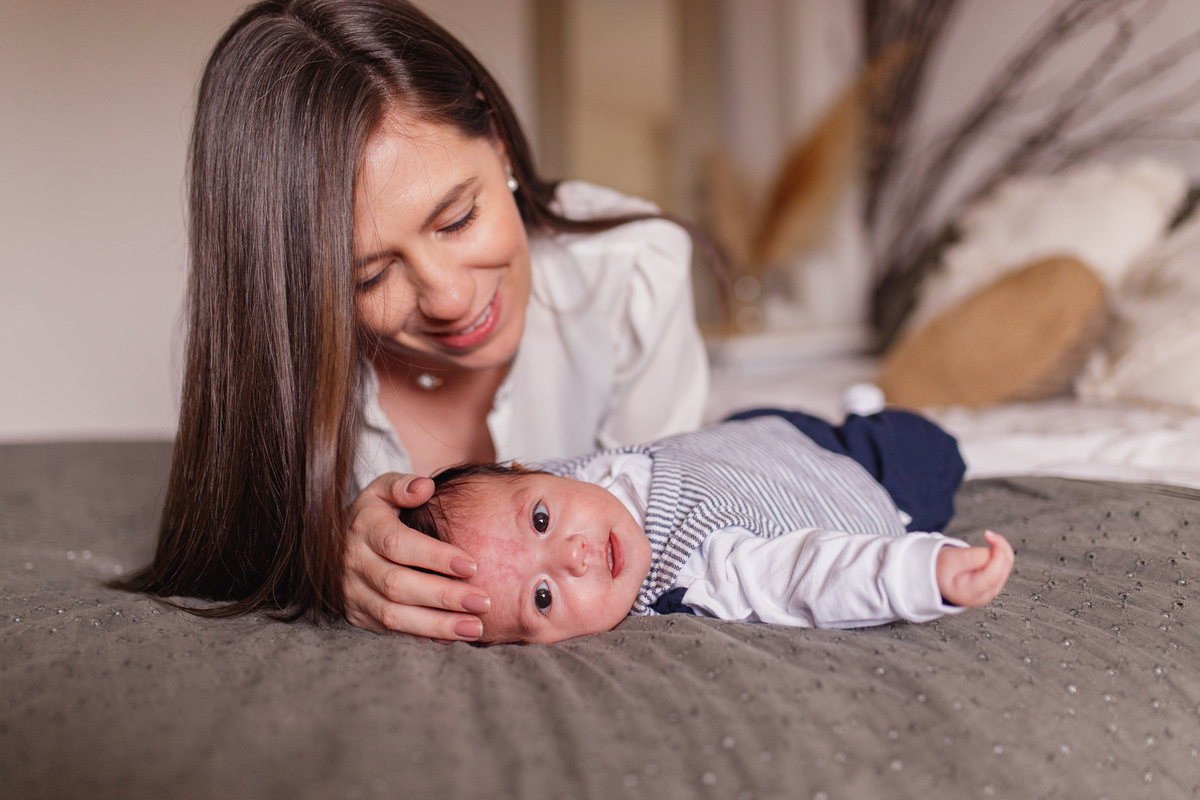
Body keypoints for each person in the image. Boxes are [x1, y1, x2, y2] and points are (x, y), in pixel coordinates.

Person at [113, 0, 709, 642]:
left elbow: (673, 531)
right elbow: (225, 559)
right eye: (370, 276)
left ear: (498, 141)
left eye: (458, 219)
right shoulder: (289, 368)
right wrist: (329, 561)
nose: (449, 298)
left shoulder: (633, 270)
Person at [399, 410, 1014, 644]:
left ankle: (852, 405)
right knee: (932, 451)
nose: (575, 556)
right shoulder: (699, 574)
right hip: (860, 485)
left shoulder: (561, 479)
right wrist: (924, 573)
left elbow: (487, 503)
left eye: (540, 521)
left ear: (527, 471)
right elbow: (811, 576)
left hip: (771, 436)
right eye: (542, 597)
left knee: (759, 411)